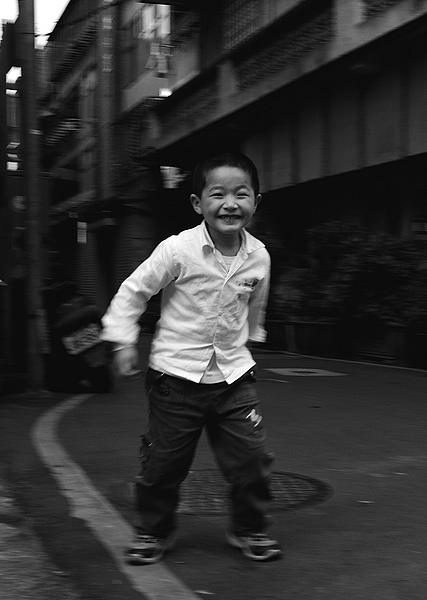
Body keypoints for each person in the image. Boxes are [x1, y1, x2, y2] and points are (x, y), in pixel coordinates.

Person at [101, 151, 281, 565]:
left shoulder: (260, 256)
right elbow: (133, 291)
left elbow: (256, 305)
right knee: (164, 464)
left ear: (256, 202)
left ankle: (249, 528)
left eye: (241, 194)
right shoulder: (178, 249)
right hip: (175, 378)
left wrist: (252, 339)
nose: (230, 204)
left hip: (234, 377)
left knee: (252, 459)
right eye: (218, 195)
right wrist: (123, 340)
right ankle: (153, 531)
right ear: (198, 203)